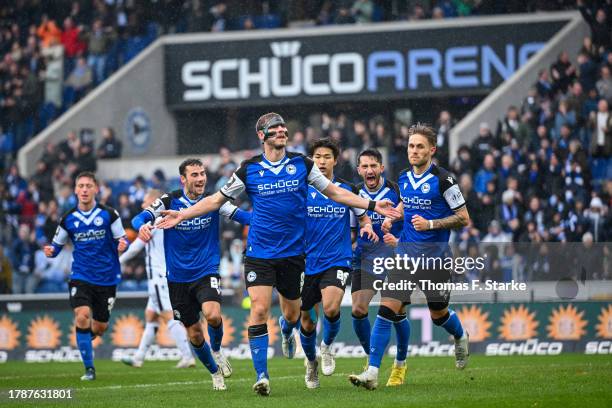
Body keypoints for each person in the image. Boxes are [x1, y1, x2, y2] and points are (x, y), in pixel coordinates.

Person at [156, 113, 399, 396]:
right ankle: (262, 376)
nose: (283, 131)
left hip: (293, 256)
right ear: (262, 135)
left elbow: (335, 193)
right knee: (258, 309)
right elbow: (215, 200)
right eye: (276, 128)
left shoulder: (302, 165)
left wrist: (371, 205)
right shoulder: (249, 170)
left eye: (284, 127)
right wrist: (182, 214)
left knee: (293, 315)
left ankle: (286, 331)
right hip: (259, 253)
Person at [350, 124, 470, 390]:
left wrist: (431, 225)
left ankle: (460, 336)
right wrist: (395, 215)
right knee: (385, 312)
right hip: (405, 256)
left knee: (438, 315)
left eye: (419, 147)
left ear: (432, 150)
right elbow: (409, 202)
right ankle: (372, 372)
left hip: (435, 260)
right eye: (411, 146)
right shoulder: (403, 177)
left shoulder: (444, 180)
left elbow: (463, 217)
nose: (414, 151)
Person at [131, 159, 251, 391]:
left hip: (206, 270)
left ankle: (216, 351)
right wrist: (142, 226)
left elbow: (244, 217)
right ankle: (215, 372)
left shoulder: (214, 201)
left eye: (202, 173)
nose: (201, 179)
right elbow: (140, 218)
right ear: (183, 179)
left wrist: (271, 220)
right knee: (195, 334)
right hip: (177, 277)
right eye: (194, 175)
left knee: (213, 315)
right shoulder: (168, 200)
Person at [299, 138, 378, 389]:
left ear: (335, 160)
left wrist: (368, 228)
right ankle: (311, 364)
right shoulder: (301, 188)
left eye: (326, 157)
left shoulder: (347, 190)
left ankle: (326, 347)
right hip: (305, 261)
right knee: (307, 321)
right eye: (317, 157)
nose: (321, 161)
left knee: (332, 308)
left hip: (338, 258)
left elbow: (363, 217)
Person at [44, 172, 129, 381]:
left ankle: (82, 338)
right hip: (81, 275)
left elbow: (123, 240)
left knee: (100, 327)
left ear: (95, 189)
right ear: (75, 190)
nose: (84, 189)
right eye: (80, 186)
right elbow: (56, 246)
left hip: (107, 277)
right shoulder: (68, 219)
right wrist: (50, 251)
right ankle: (89, 369)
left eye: (88, 186)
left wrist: (123, 245)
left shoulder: (109, 214)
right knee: (82, 316)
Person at [351, 148, 410, 387]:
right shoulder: (354, 193)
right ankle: (371, 358)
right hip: (365, 258)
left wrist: (400, 242)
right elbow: (349, 224)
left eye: (373, 165)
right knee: (357, 310)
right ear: (358, 170)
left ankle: (400, 364)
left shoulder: (396, 191)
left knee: (396, 314)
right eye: (364, 166)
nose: (369, 170)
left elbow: (412, 222)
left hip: (395, 258)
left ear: (381, 168)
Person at [119, 189, 195, 369]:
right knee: (151, 316)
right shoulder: (165, 221)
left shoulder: (154, 221)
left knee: (168, 315)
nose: (143, 205)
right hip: (163, 274)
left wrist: (119, 261)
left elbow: (137, 246)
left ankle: (187, 356)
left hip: (158, 277)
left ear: (153, 202)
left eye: (145, 201)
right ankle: (139, 357)